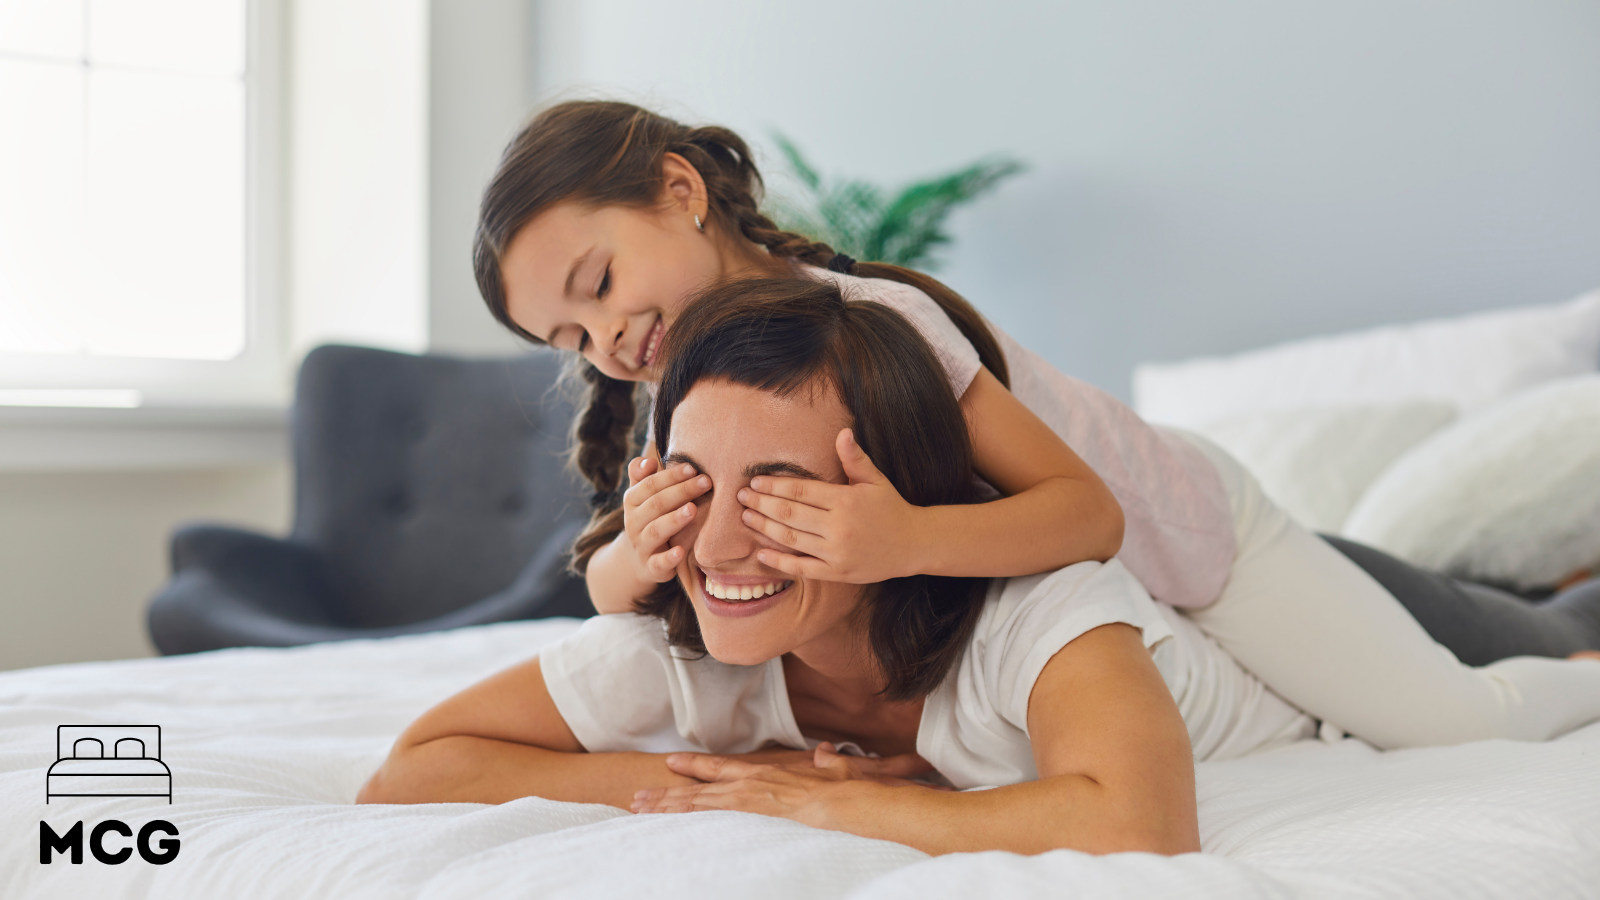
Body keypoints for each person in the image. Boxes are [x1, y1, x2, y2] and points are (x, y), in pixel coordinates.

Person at [472, 100, 1600, 746]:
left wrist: (901, 541)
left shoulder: (878, 324)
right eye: (569, 340)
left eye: (599, 281)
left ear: (679, 190)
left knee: (1449, 719)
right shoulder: (684, 397)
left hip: (1193, 537)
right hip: (1123, 587)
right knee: (1439, 615)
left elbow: (1088, 512)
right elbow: (625, 598)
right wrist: (634, 554)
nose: (605, 339)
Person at [356, 280, 1600, 856]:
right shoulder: (684, 625)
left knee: (1491, 682)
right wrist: (718, 778)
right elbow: (415, 768)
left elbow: (1134, 820)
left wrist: (835, 801)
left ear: (897, 490)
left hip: (1248, 576)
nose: (723, 543)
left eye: (783, 492)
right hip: (1190, 564)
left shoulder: (1044, 608)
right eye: (696, 484)